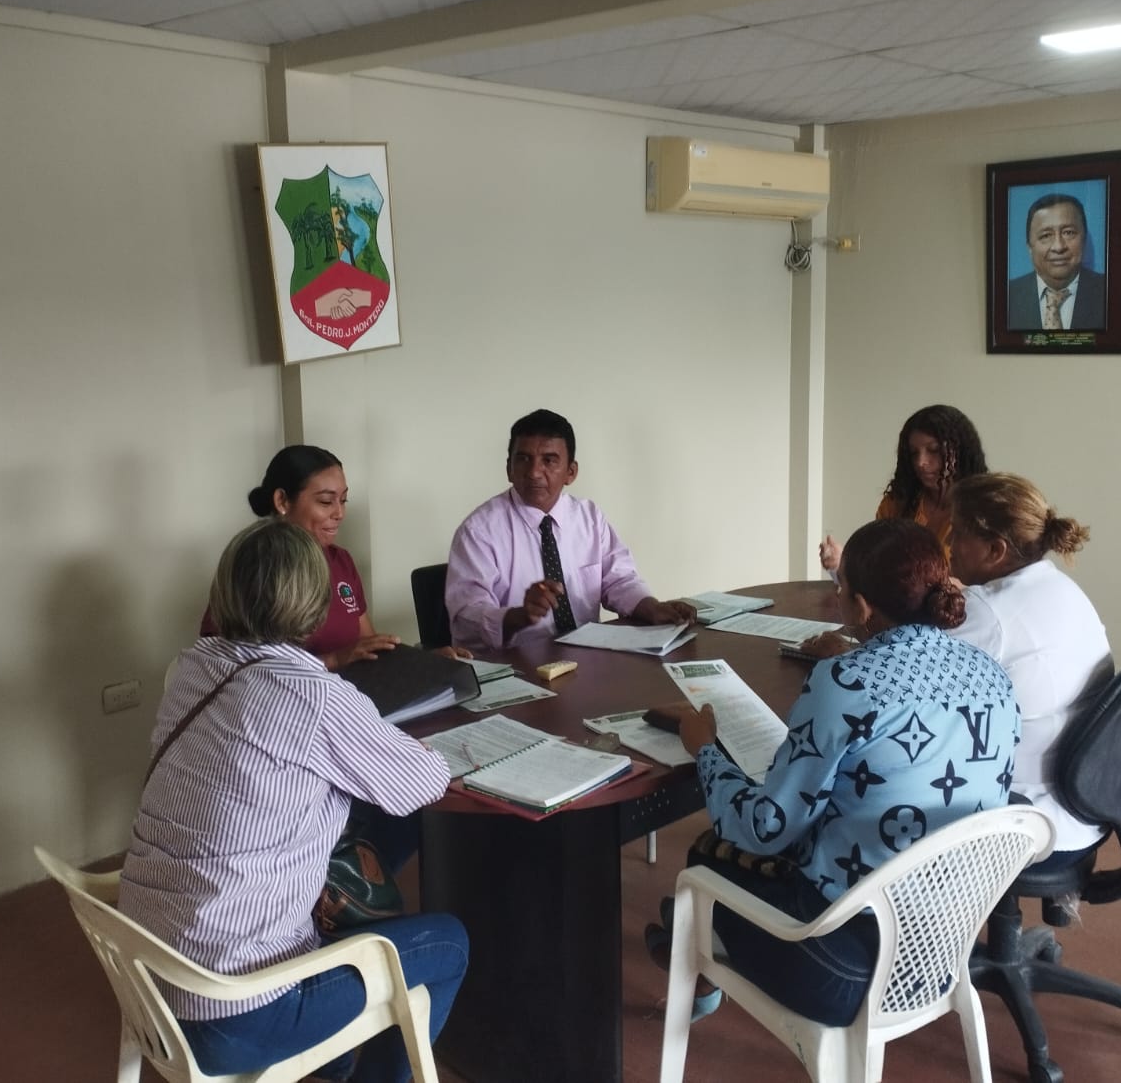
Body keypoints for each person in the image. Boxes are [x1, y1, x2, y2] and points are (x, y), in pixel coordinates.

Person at [122, 520, 467, 1082]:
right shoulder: (311, 695)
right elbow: (422, 783)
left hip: (148, 980)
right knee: (449, 944)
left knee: (345, 840)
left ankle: (331, 1061)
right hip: (236, 1013)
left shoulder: (193, 667)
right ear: (315, 604)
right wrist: (409, 745)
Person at [646, 519, 1020, 1025]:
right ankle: (692, 939)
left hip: (842, 971)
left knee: (708, 854)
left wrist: (705, 750)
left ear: (861, 606)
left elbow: (766, 827)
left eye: (840, 588)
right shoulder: (992, 674)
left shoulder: (844, 681)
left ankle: (695, 947)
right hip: (942, 950)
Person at [945, 472, 1113, 859]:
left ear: (995, 550)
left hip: (1028, 816)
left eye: (958, 533)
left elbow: (902, 678)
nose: (949, 544)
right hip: (1085, 801)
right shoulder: (1062, 587)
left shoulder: (987, 613)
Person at [445, 408, 696, 653]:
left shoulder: (589, 518)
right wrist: (519, 616)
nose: (534, 473)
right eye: (523, 459)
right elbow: (466, 616)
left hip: (587, 658)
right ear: (509, 469)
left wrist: (653, 608)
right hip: (516, 664)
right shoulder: (478, 531)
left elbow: (619, 580)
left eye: (549, 461)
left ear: (571, 472)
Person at [202, 445, 469, 669]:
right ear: (282, 501)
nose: (339, 513)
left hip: (356, 697)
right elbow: (237, 671)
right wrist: (333, 660)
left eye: (343, 500)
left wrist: (424, 663)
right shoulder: (251, 568)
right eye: (326, 502)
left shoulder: (340, 561)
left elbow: (370, 647)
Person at [818, 404, 987, 574]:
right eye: (914, 453)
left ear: (961, 451)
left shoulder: (984, 509)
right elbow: (876, 569)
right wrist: (842, 564)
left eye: (934, 450)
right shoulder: (897, 503)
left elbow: (990, 582)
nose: (921, 462)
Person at [1005, 192, 1108, 331]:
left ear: (1083, 240)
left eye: (1068, 232)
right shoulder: (1006, 296)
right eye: (1046, 235)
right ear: (1029, 247)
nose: (1058, 247)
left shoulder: (1109, 292)